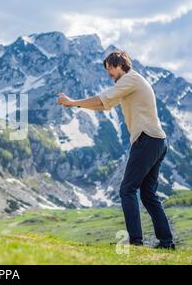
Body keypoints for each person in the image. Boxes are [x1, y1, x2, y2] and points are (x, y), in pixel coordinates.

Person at [56, 50, 175, 250]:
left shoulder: (130, 79)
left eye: (109, 69)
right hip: (157, 141)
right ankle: (166, 242)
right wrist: (77, 106)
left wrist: (72, 102)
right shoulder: (131, 83)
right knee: (148, 195)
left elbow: (102, 100)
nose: (108, 73)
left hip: (146, 140)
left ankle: (135, 242)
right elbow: (105, 106)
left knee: (127, 189)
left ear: (119, 65)